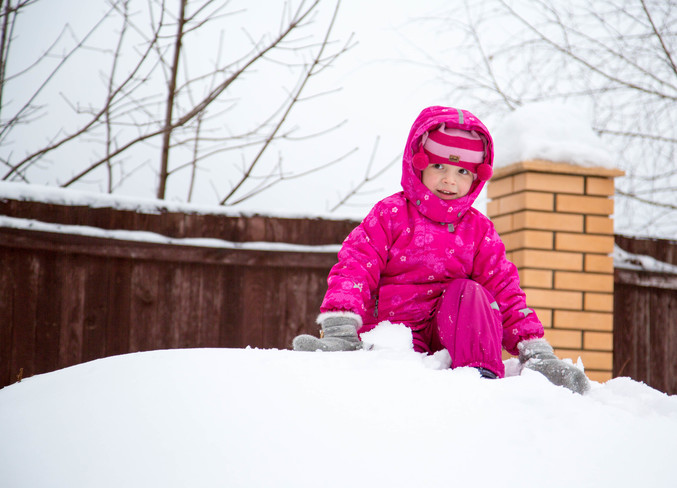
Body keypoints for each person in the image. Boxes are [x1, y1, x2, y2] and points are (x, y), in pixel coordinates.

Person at [293, 106, 589, 394]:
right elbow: (356, 267)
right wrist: (341, 327)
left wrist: (536, 350)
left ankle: (480, 380)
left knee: (471, 292)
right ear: (418, 164)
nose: (450, 179)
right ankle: (373, 362)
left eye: (462, 171)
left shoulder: (478, 231)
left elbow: (505, 291)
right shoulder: (390, 215)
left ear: (477, 176)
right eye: (439, 166)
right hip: (388, 338)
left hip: (450, 343)